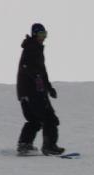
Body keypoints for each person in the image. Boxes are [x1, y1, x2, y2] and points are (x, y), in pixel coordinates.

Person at [16, 23, 64, 156]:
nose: (44, 37)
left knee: (35, 120)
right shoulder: (32, 48)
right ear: (35, 34)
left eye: (45, 34)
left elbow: (42, 72)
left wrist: (49, 87)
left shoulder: (33, 48)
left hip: (26, 93)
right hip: (33, 92)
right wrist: (37, 79)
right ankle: (49, 146)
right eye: (41, 34)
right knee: (49, 118)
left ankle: (25, 145)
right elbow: (28, 67)